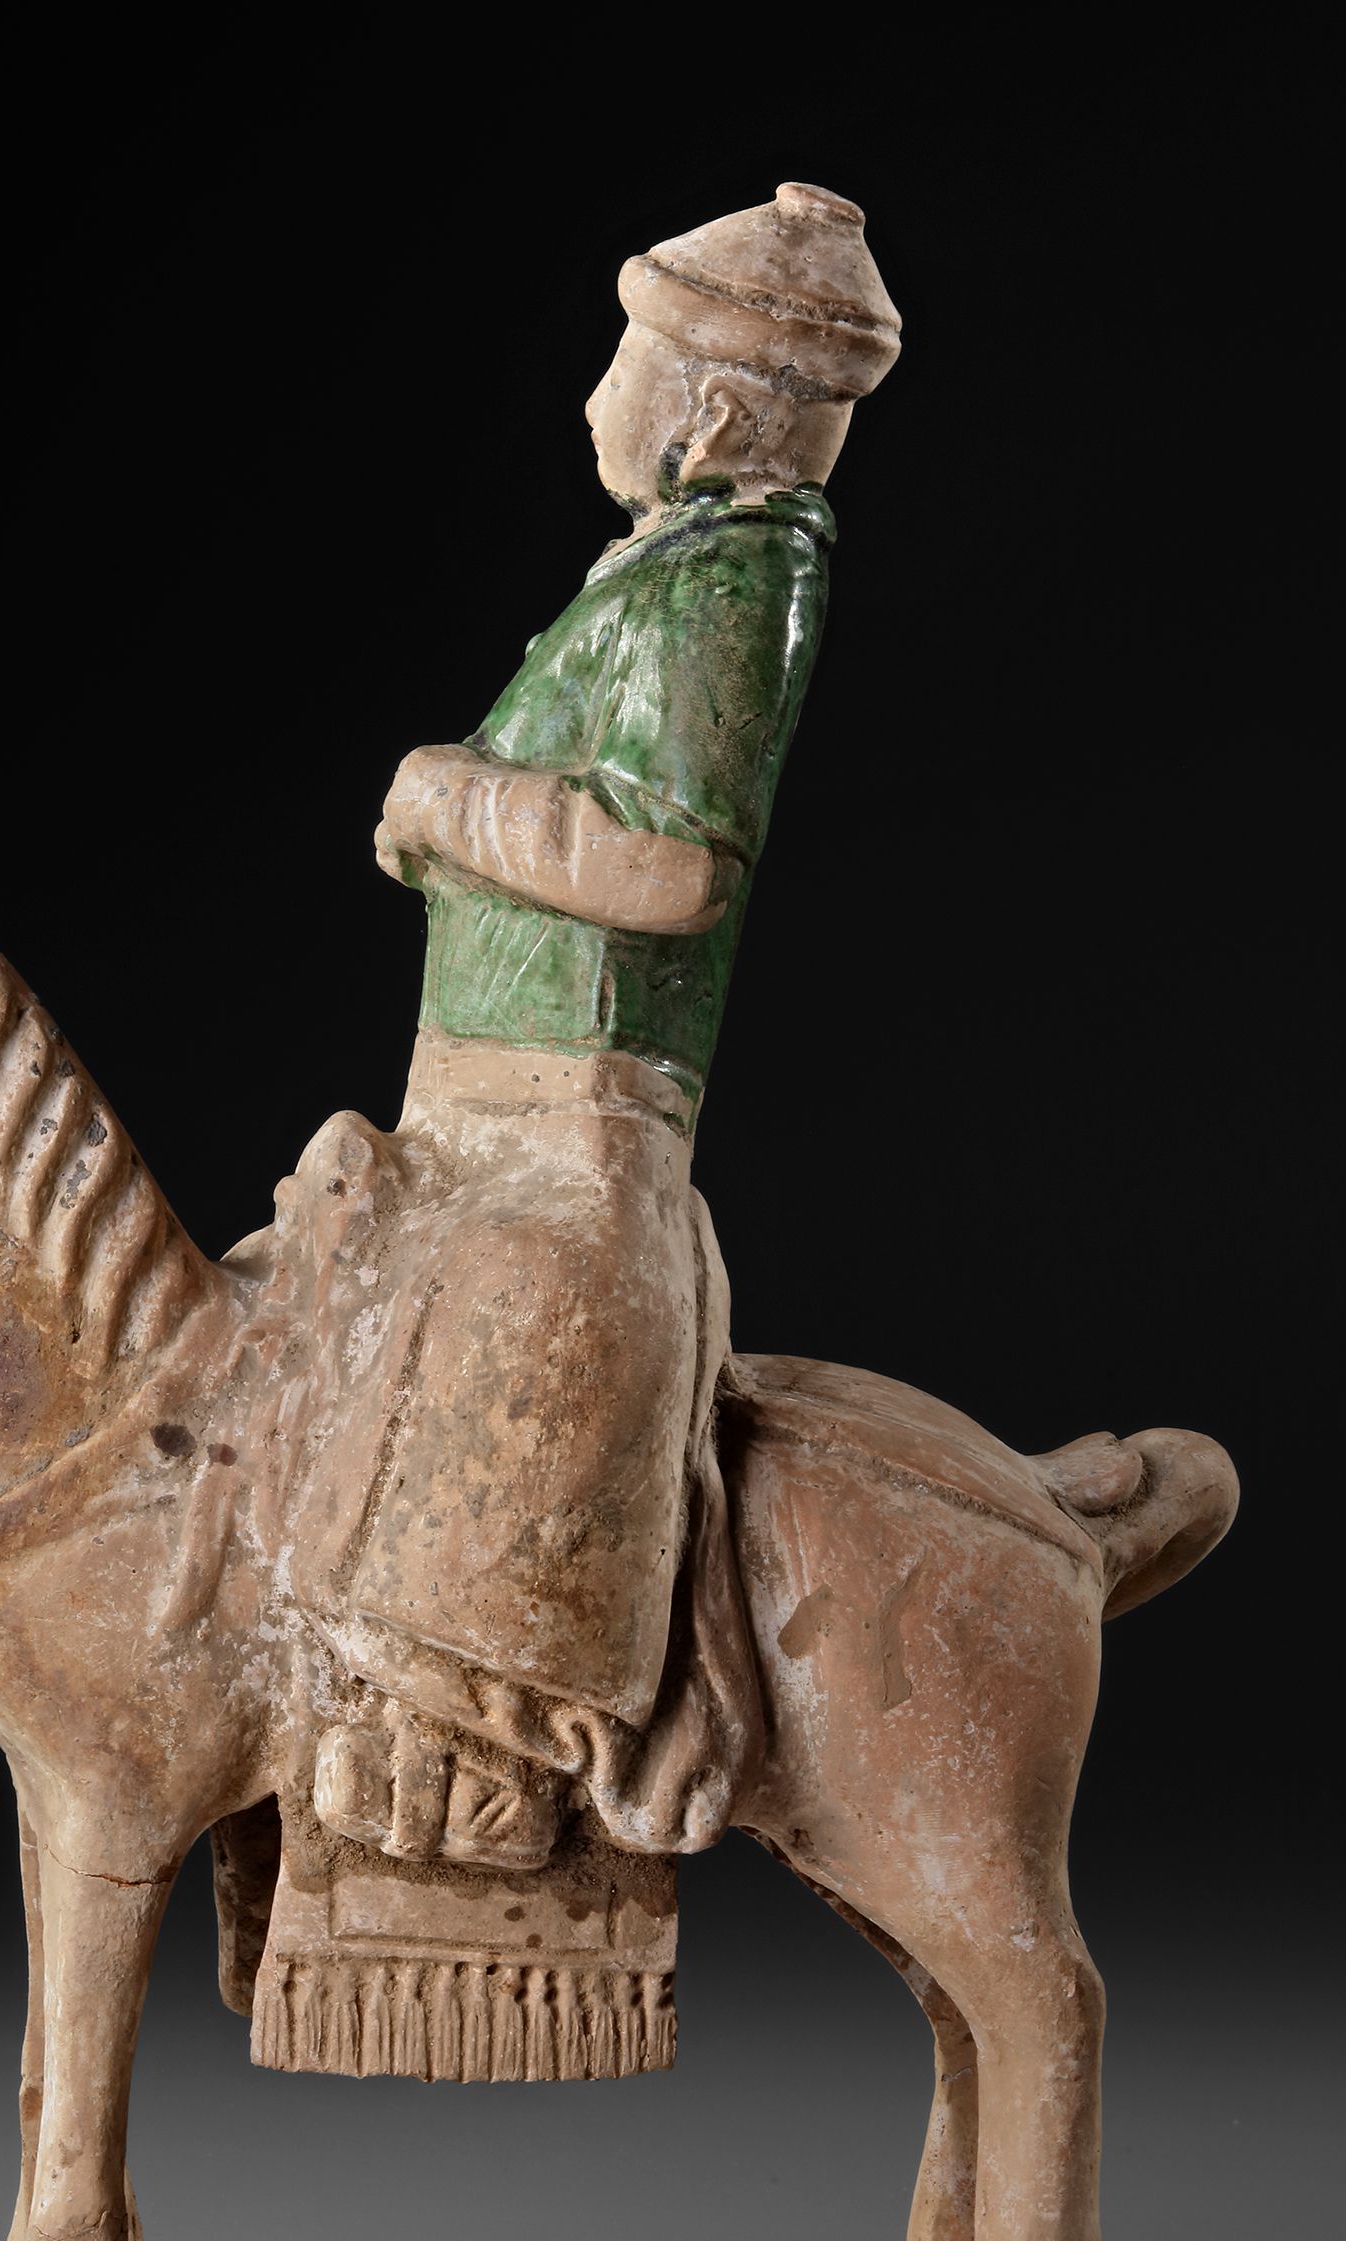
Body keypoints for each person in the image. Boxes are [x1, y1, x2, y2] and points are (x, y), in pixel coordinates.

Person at [292, 183, 901, 1868]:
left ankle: (480, 1754)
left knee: (513, 1330)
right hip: (478, 1108)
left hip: (574, 1124)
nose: (591, 402)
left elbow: (673, 865)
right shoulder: (663, 573)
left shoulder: (739, 584)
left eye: (623, 368)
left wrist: (450, 798)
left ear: (714, 415)